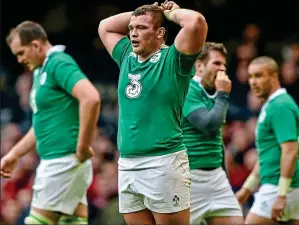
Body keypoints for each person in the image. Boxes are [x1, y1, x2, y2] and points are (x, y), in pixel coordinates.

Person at [98, 1, 207, 224]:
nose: (133, 34)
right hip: (127, 163)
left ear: (160, 33)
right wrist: (147, 12)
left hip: (163, 161)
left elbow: (196, 22)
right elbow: (104, 26)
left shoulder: (175, 59)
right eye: (131, 29)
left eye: (141, 28)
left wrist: (169, 13)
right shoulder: (127, 55)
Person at [0, 21, 101, 225]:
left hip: (62, 161)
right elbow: (41, 126)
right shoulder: (40, 71)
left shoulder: (58, 62)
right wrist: (14, 154)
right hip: (61, 161)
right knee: (72, 222)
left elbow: (91, 98)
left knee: (36, 222)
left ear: (36, 45)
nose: (19, 60)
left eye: (21, 53)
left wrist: (83, 146)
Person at [180, 42, 244, 225]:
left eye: (224, 64)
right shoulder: (187, 89)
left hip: (216, 179)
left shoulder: (213, 93)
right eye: (217, 63)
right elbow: (208, 125)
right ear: (199, 66)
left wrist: (223, 173)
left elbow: (216, 139)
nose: (222, 68)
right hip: (190, 179)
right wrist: (223, 94)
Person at [236, 56, 299, 225]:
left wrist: (281, 194)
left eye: (258, 76)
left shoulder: (280, 106)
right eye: (250, 76)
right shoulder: (272, 105)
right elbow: (266, 155)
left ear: (274, 77)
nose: (253, 82)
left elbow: (290, 150)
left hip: (278, 187)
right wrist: (248, 188)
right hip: (284, 187)